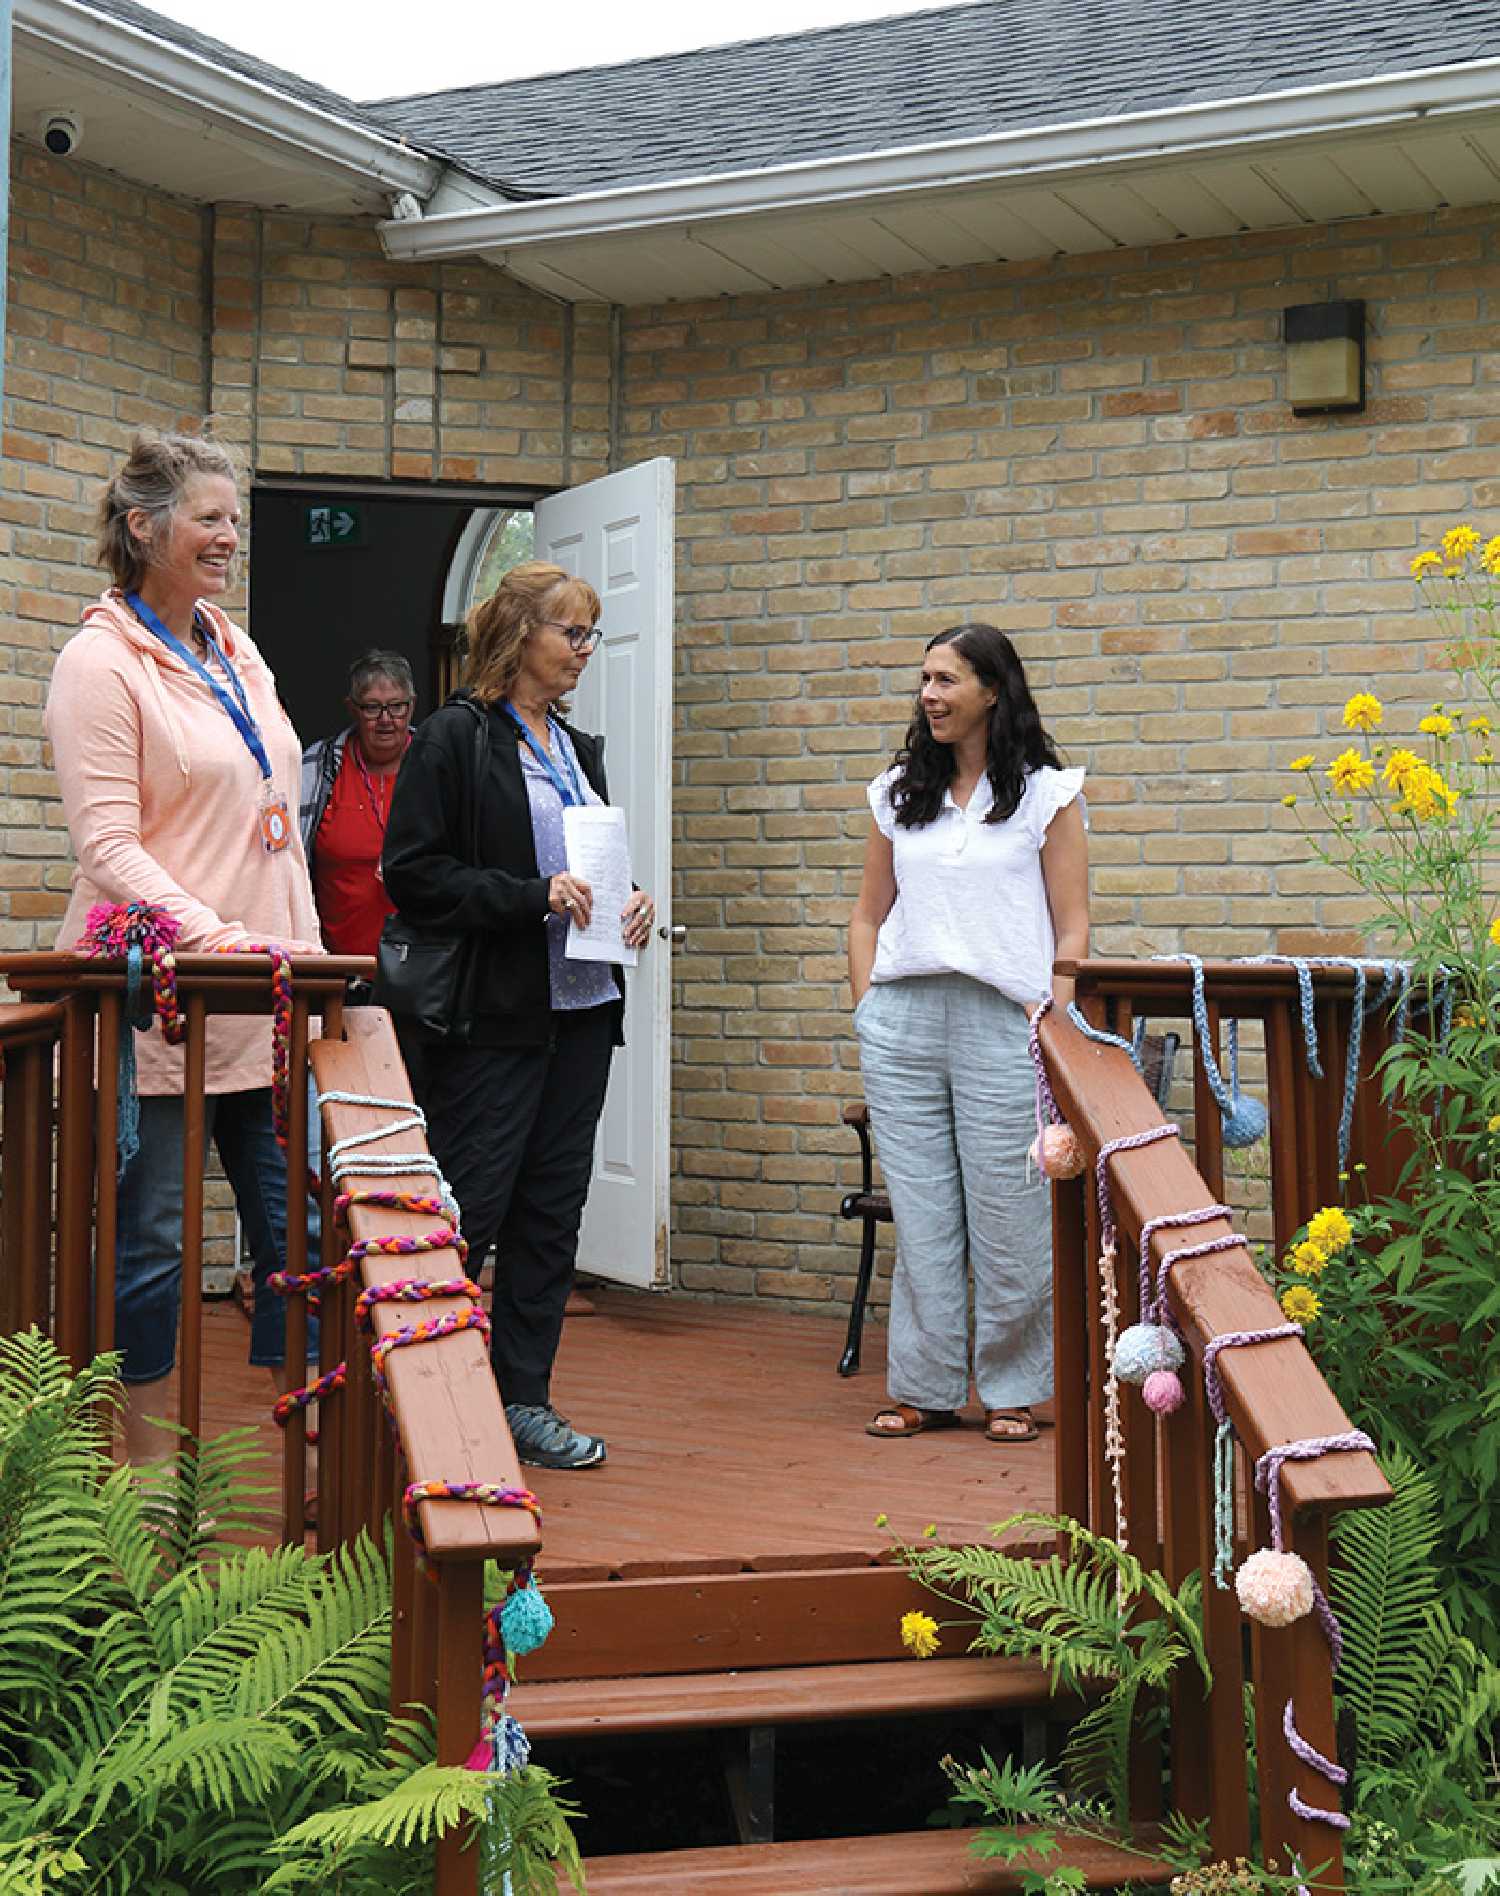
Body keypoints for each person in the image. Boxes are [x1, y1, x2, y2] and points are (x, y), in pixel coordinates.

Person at [44, 430, 325, 1466]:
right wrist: (213, 935)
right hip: (161, 1002)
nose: (228, 538)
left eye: (232, 520)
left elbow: (272, 815)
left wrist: (301, 948)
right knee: (154, 1248)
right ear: (143, 526)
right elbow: (107, 843)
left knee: (298, 1244)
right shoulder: (98, 662)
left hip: (265, 999)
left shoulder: (233, 645)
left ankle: (306, 1470)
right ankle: (146, 1488)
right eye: (210, 518)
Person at [382, 560, 656, 1471]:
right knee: (472, 1212)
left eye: (590, 636)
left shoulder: (579, 750)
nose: (583, 651)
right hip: (495, 1017)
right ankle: (430, 1409)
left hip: (583, 1012)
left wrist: (632, 902)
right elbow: (413, 876)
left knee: (551, 1219)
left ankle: (523, 1404)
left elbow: (589, 870)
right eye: (570, 633)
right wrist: (530, 896)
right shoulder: (456, 738)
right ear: (518, 635)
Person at [847, 623, 1089, 1445]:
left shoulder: (1046, 796)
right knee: (921, 1215)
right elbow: (867, 915)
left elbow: (1073, 921)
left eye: (947, 680)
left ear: (994, 690)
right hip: (903, 1020)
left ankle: (1015, 1390)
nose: (930, 695)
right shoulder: (898, 791)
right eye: (925, 679)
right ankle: (925, 1388)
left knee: (1011, 1214)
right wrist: (866, 1010)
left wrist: (1053, 1018)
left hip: (1003, 1022)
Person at [300, 650, 416, 957]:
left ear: (412, 705)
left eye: (397, 707)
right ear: (352, 709)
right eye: (372, 708)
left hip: (423, 969)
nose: (386, 720)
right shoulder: (318, 768)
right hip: (336, 967)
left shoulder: (435, 765)